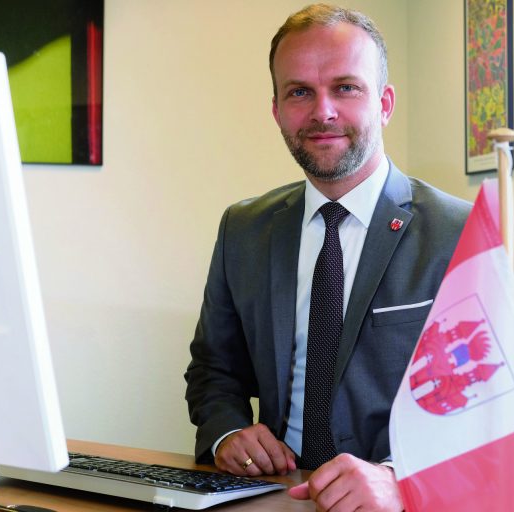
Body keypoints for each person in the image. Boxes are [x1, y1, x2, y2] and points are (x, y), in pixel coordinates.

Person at [184, 4, 470, 511]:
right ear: (276, 110)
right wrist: (229, 433)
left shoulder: (458, 232)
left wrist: (398, 478)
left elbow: (481, 400)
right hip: (275, 495)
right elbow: (213, 370)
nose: (323, 112)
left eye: (346, 87)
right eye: (299, 92)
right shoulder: (243, 230)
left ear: (384, 103)